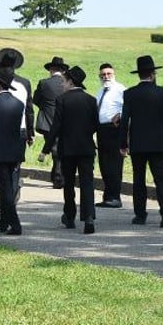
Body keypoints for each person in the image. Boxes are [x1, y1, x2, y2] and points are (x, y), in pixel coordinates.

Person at [119, 55, 163, 227]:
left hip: (138, 144)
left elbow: (124, 121)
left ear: (139, 74)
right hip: (160, 144)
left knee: (139, 179)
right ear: (152, 74)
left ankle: (140, 214)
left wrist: (123, 144)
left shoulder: (130, 94)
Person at [43, 65, 100, 234]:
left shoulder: (62, 100)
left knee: (68, 184)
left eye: (64, 81)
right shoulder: (91, 100)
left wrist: (46, 149)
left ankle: (69, 216)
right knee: (87, 183)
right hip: (87, 148)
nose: (62, 84)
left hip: (67, 148)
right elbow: (95, 124)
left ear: (70, 81)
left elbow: (56, 127)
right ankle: (88, 217)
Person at [0, 68, 27, 234]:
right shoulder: (18, 104)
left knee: (5, 189)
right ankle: (3, 221)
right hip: (14, 150)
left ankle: (15, 224)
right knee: (8, 184)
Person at [94, 62, 127, 208]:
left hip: (115, 129)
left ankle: (115, 196)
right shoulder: (100, 91)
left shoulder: (120, 90)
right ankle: (107, 195)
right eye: (103, 75)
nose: (106, 77)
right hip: (102, 130)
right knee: (104, 164)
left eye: (108, 74)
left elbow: (128, 107)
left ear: (114, 75)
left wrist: (120, 115)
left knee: (114, 164)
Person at [33, 56, 68, 188]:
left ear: (51, 70)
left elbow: (36, 99)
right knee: (59, 147)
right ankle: (58, 175)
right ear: (62, 70)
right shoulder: (66, 83)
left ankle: (57, 176)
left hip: (48, 119)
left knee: (53, 146)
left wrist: (46, 106)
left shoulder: (44, 83)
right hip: (64, 119)